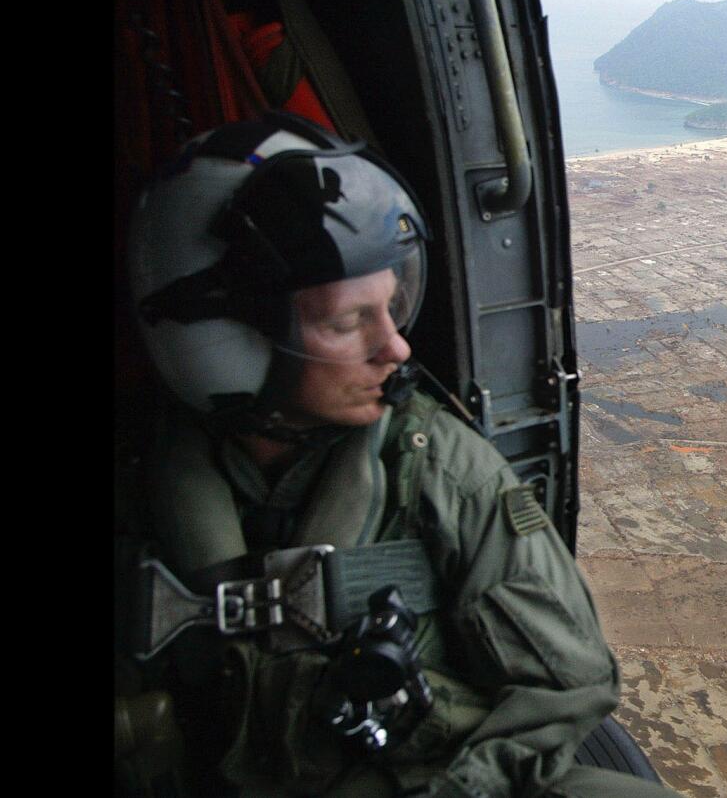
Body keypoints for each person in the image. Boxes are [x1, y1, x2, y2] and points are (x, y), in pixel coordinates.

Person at [115, 113, 681, 798]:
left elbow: (568, 685)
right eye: (347, 321)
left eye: (391, 306)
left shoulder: (439, 466)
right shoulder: (142, 483)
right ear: (225, 340)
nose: (397, 347)